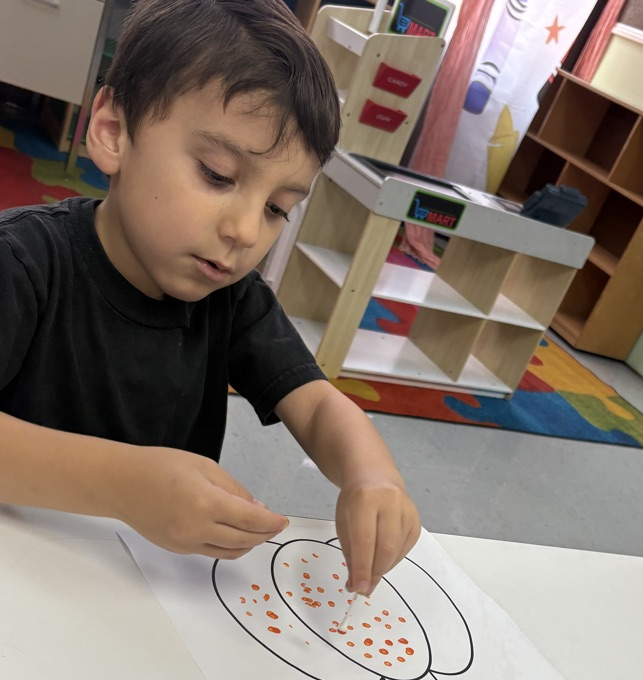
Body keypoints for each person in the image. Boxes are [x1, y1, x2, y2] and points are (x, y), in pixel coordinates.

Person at [0, 0, 420, 596]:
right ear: (115, 132)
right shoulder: (24, 264)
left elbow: (320, 405)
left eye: (278, 209)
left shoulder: (231, 298)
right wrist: (125, 486)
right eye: (218, 176)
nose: (248, 232)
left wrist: (374, 476)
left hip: (145, 594)